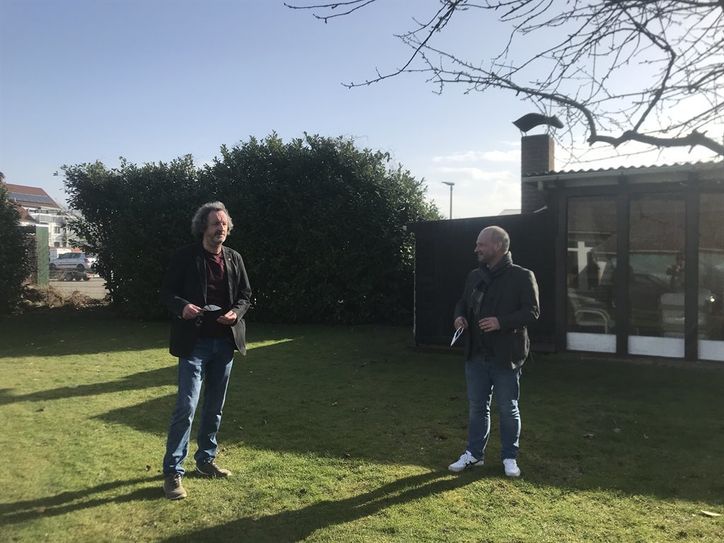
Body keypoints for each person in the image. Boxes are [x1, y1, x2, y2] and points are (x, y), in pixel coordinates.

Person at [160, 201, 252, 500]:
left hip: (224, 344)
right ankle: (173, 472)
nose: (221, 229)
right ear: (204, 227)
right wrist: (182, 306)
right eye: (216, 225)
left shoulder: (234, 258)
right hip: (194, 344)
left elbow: (246, 296)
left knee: (214, 406)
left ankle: (205, 460)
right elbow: (167, 292)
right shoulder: (185, 257)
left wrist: (235, 314)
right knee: (186, 407)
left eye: (224, 225)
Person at [448, 226, 539, 477]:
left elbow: (532, 312)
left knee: (508, 408)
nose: (476, 249)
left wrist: (501, 322)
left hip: (506, 356)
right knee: (477, 407)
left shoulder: (522, 276)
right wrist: (459, 318)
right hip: (475, 354)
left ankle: (510, 457)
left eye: (481, 244)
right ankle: (474, 454)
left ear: (497, 246)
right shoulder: (474, 276)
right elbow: (462, 303)